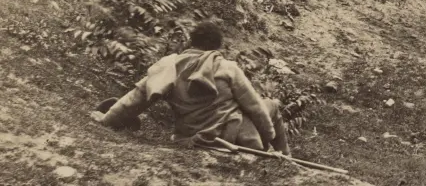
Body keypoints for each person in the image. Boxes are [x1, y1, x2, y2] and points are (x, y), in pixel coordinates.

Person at [91, 21, 291, 156]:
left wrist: (107, 119)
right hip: (234, 137)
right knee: (270, 104)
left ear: (190, 42)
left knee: (261, 109)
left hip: (191, 138)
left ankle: (275, 154)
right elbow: (256, 109)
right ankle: (286, 157)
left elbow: (135, 100)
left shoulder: (170, 65)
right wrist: (268, 140)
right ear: (217, 47)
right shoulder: (227, 67)